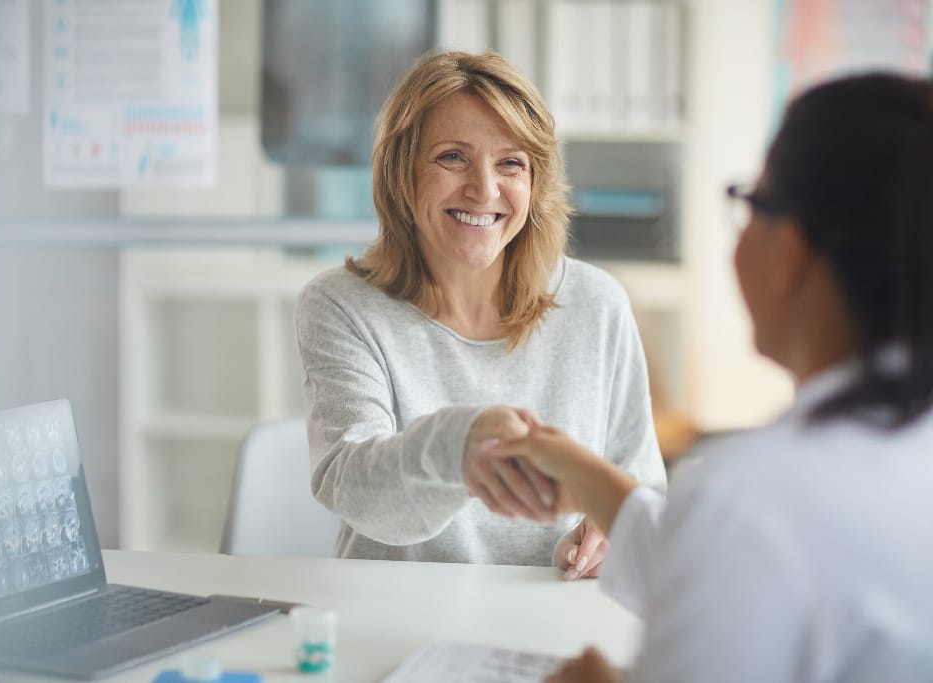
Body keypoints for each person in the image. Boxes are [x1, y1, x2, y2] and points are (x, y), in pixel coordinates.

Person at [487, 72, 933, 681]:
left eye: (752, 201)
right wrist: (591, 480)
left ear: (791, 252)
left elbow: (744, 547)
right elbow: (736, 567)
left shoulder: (752, 495)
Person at [295, 50, 667, 572]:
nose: (484, 189)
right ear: (401, 171)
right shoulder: (341, 305)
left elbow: (641, 490)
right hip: (398, 617)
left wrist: (610, 528)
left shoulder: (597, 303)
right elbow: (354, 489)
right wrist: (459, 448)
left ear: (535, 183)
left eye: (510, 163)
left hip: (553, 617)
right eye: (452, 157)